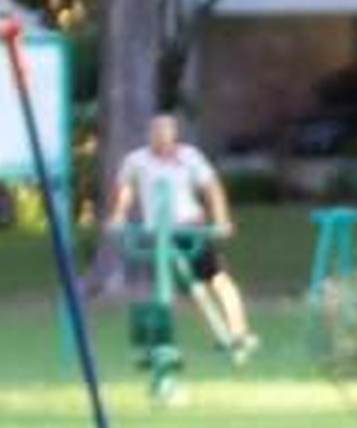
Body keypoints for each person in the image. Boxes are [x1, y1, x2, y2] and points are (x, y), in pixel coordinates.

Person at [106, 112, 256, 360]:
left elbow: (212, 187)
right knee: (191, 287)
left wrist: (221, 219)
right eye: (157, 135)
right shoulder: (137, 161)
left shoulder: (189, 157)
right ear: (150, 136)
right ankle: (221, 336)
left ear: (174, 136)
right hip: (162, 232)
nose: (163, 142)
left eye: (167, 136)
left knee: (217, 278)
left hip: (190, 226)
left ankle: (239, 331)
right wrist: (118, 216)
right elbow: (126, 189)